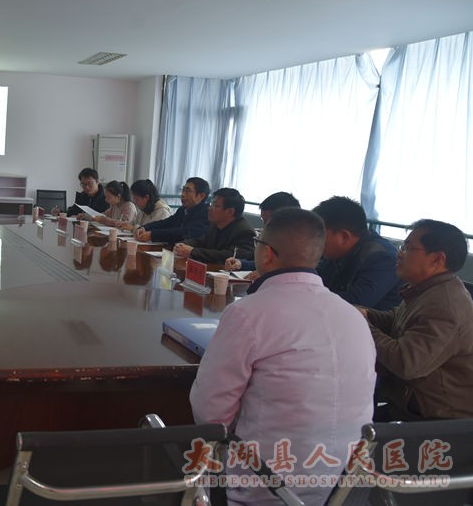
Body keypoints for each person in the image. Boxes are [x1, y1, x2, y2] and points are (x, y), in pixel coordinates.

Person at [190, 208, 376, 506]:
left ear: (267, 253)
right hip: (340, 488)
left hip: (264, 488)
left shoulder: (248, 313)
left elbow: (210, 415)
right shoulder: (352, 316)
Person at [360, 219, 473, 420]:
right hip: (406, 404)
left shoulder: (444, 306)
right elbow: (395, 320)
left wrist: (362, 326)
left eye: (408, 248)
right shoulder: (428, 288)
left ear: (437, 259)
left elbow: (407, 363)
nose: (399, 253)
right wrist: (361, 314)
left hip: (436, 420)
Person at [313, 196, 401, 310]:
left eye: (319, 236)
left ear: (344, 236)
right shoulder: (335, 253)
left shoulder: (382, 258)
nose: (315, 242)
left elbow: (355, 303)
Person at [224, 191, 300, 273]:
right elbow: (266, 262)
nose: (265, 227)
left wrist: (268, 273)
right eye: (263, 221)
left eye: (268, 222)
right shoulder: (275, 237)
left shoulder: (300, 245)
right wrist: (241, 264)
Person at [173, 187, 255, 264]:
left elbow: (229, 255)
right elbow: (200, 242)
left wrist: (193, 251)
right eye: (211, 204)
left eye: (215, 206)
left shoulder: (245, 232)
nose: (209, 208)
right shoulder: (215, 224)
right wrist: (182, 245)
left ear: (230, 211)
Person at [135, 177, 210, 244]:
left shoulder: (207, 213)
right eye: (183, 190)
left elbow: (184, 232)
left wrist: (152, 235)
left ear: (201, 196)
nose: (183, 194)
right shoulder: (183, 209)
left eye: (187, 191)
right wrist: (145, 228)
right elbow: (167, 222)